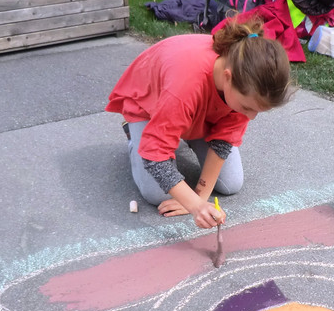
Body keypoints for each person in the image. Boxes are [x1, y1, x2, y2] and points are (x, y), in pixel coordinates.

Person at [106, 18, 292, 229]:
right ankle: (136, 137)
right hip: (149, 105)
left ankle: (184, 129)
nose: (251, 117)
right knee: (157, 194)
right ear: (228, 78)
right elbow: (155, 159)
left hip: (193, 110)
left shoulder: (246, 84)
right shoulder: (185, 87)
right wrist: (195, 206)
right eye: (247, 108)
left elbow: (223, 142)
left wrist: (199, 196)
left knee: (231, 183)